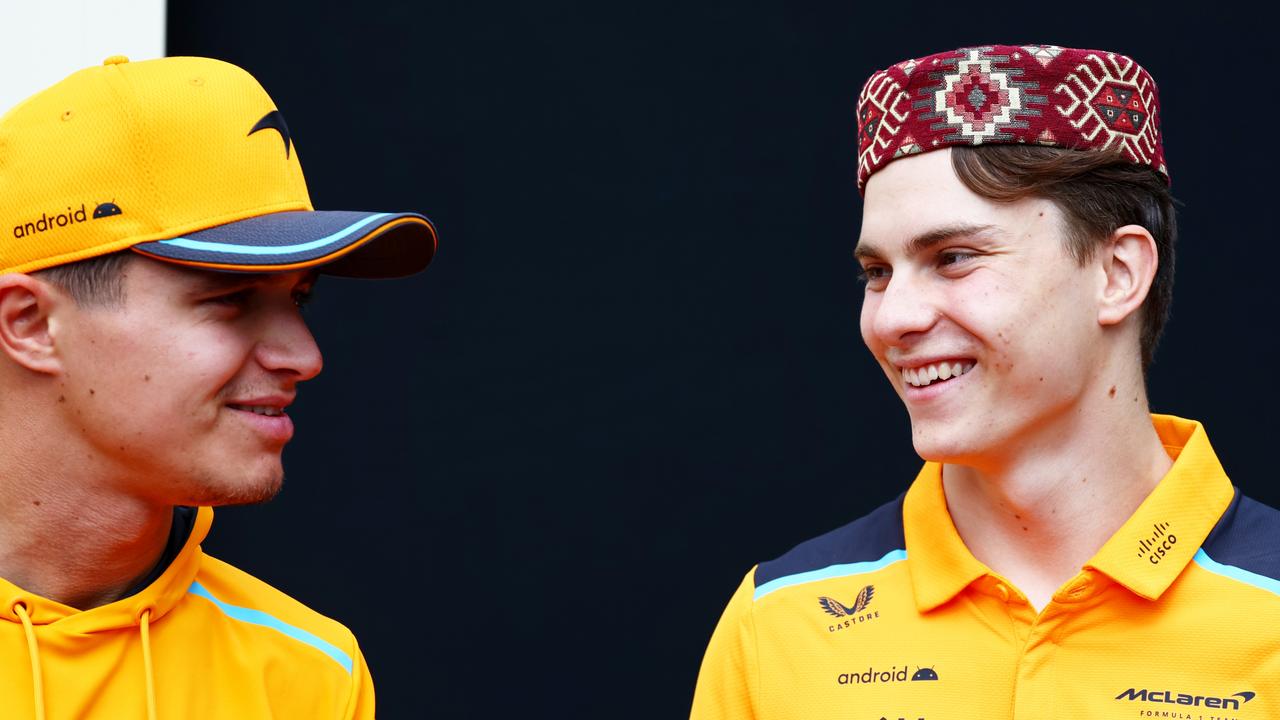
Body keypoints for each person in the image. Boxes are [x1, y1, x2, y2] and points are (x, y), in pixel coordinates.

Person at [690, 44, 1280, 719]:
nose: (892, 318)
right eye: (876, 272)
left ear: (1117, 274)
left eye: (954, 258)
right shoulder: (779, 621)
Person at [0, 55, 437, 719]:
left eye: (301, 299)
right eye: (231, 298)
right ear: (30, 324)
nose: (304, 357)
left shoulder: (311, 677)